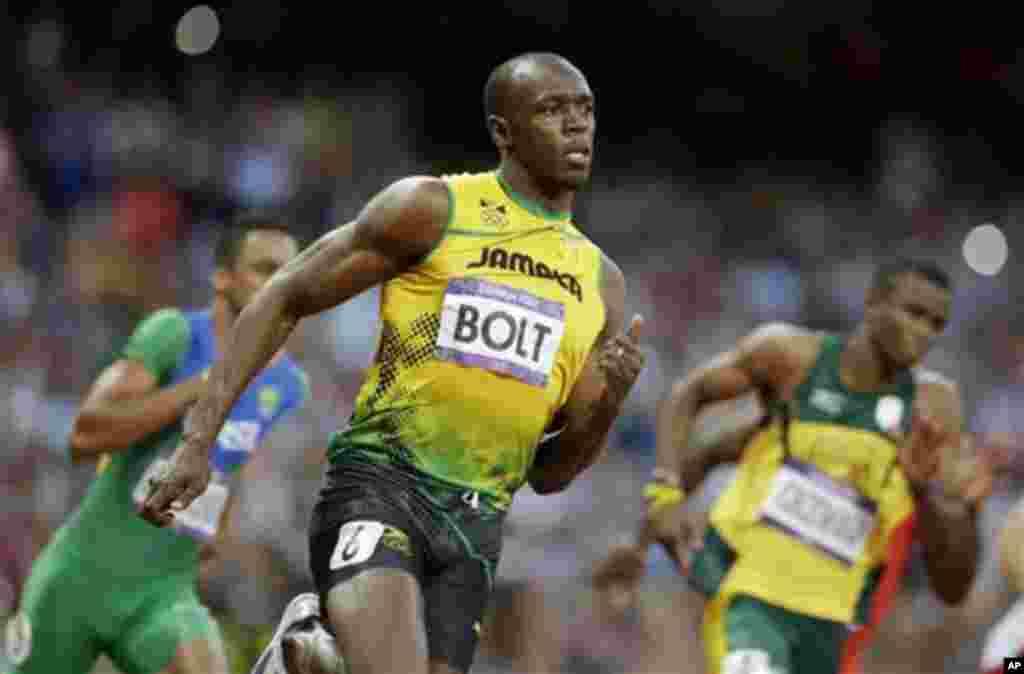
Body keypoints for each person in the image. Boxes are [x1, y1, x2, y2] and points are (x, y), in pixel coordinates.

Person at [139, 51, 646, 674]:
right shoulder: (435, 210)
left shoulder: (601, 284)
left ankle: (303, 661)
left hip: (476, 530)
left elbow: (550, 474)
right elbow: (284, 295)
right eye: (552, 110)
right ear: (503, 133)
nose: (577, 125)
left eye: (586, 110)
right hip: (382, 487)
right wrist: (198, 440)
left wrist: (609, 403)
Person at [595, 258, 990, 674]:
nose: (923, 332)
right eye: (913, 313)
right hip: (748, 599)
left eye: (936, 323)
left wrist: (923, 491)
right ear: (873, 302)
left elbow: (953, 586)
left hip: (835, 626)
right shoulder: (790, 358)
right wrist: (659, 504)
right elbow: (690, 401)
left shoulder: (932, 413)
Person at [3, 215, 309, 674]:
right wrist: (207, 385)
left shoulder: (286, 383)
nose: (283, 282)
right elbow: (84, 435)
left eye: (292, 270)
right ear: (222, 277)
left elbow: (230, 462)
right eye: (265, 268)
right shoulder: (175, 335)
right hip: (81, 574)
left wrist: (216, 529)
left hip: (164, 591)